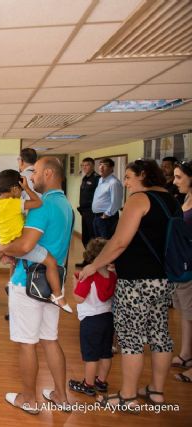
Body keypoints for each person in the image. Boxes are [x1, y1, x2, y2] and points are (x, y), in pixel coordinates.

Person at [79, 159, 179, 410]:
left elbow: (119, 241)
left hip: (136, 282)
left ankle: (128, 395)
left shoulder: (139, 200)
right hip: (164, 279)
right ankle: (156, 391)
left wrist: (94, 265)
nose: (125, 183)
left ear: (143, 175)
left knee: (131, 337)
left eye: (129, 177)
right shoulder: (171, 200)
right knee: (160, 334)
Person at [0, 157, 73, 414]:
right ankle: (61, 396)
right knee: (50, 339)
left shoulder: (44, 206)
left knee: (27, 343)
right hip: (52, 285)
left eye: (37, 172)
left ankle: (29, 400)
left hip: (27, 283)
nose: (32, 177)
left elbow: (25, 245)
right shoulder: (66, 205)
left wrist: (4, 249)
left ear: (49, 173)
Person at [0, 169, 71, 313]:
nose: (21, 192)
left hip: (7, 241)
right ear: (14, 189)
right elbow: (38, 202)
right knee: (51, 262)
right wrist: (28, 188)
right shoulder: (13, 203)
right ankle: (57, 295)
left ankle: (9, 277)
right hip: (18, 243)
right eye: (20, 189)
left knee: (16, 262)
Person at [68, 238, 116, 397]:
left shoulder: (88, 276)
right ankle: (101, 381)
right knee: (106, 352)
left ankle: (88, 385)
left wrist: (75, 283)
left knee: (91, 355)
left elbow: (78, 298)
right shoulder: (112, 276)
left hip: (90, 321)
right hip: (108, 319)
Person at [172, 159, 192, 383]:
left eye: (179, 177)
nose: (175, 181)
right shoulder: (186, 198)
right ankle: (186, 354)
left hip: (189, 265)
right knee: (186, 315)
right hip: (181, 266)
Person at [91, 158, 123, 239]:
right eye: (100, 165)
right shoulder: (100, 180)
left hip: (107, 219)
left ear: (111, 168)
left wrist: (106, 215)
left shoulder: (114, 183)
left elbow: (116, 202)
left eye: (105, 165)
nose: (101, 168)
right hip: (97, 217)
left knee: (106, 243)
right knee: (98, 242)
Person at [76, 157, 100, 266]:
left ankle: (94, 261)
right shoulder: (84, 178)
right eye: (83, 165)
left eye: (87, 165)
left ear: (93, 166)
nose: (85, 167)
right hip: (84, 212)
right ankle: (88, 259)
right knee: (85, 238)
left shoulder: (97, 179)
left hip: (92, 212)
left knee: (92, 238)